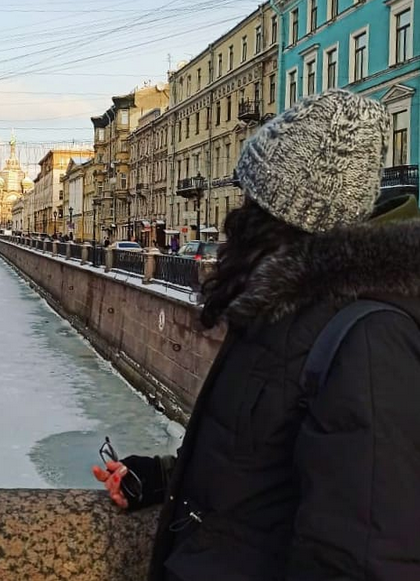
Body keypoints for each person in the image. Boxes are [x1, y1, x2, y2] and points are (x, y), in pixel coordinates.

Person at [92, 89, 420, 581]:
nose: (236, 217)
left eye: (253, 200)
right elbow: (265, 463)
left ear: (283, 215)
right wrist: (163, 476)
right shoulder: (286, 307)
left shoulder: (367, 336)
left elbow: (364, 555)